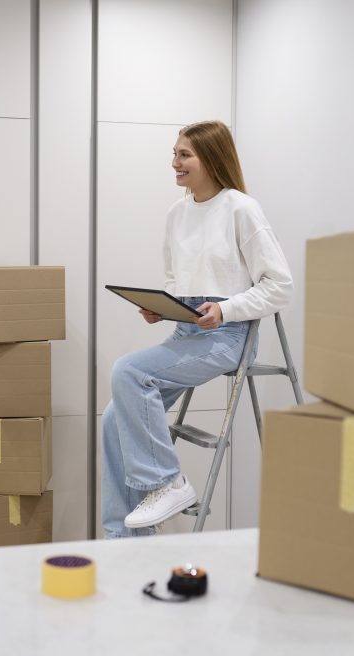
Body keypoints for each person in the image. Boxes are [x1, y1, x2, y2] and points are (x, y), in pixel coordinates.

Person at [101, 120, 292, 538]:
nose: (175, 162)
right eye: (174, 154)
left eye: (184, 155)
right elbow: (176, 279)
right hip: (187, 332)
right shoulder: (177, 213)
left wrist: (227, 310)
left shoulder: (241, 208)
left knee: (127, 371)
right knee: (113, 418)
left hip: (229, 338)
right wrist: (164, 308)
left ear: (211, 158)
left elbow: (280, 286)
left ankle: (168, 483)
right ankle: (124, 539)